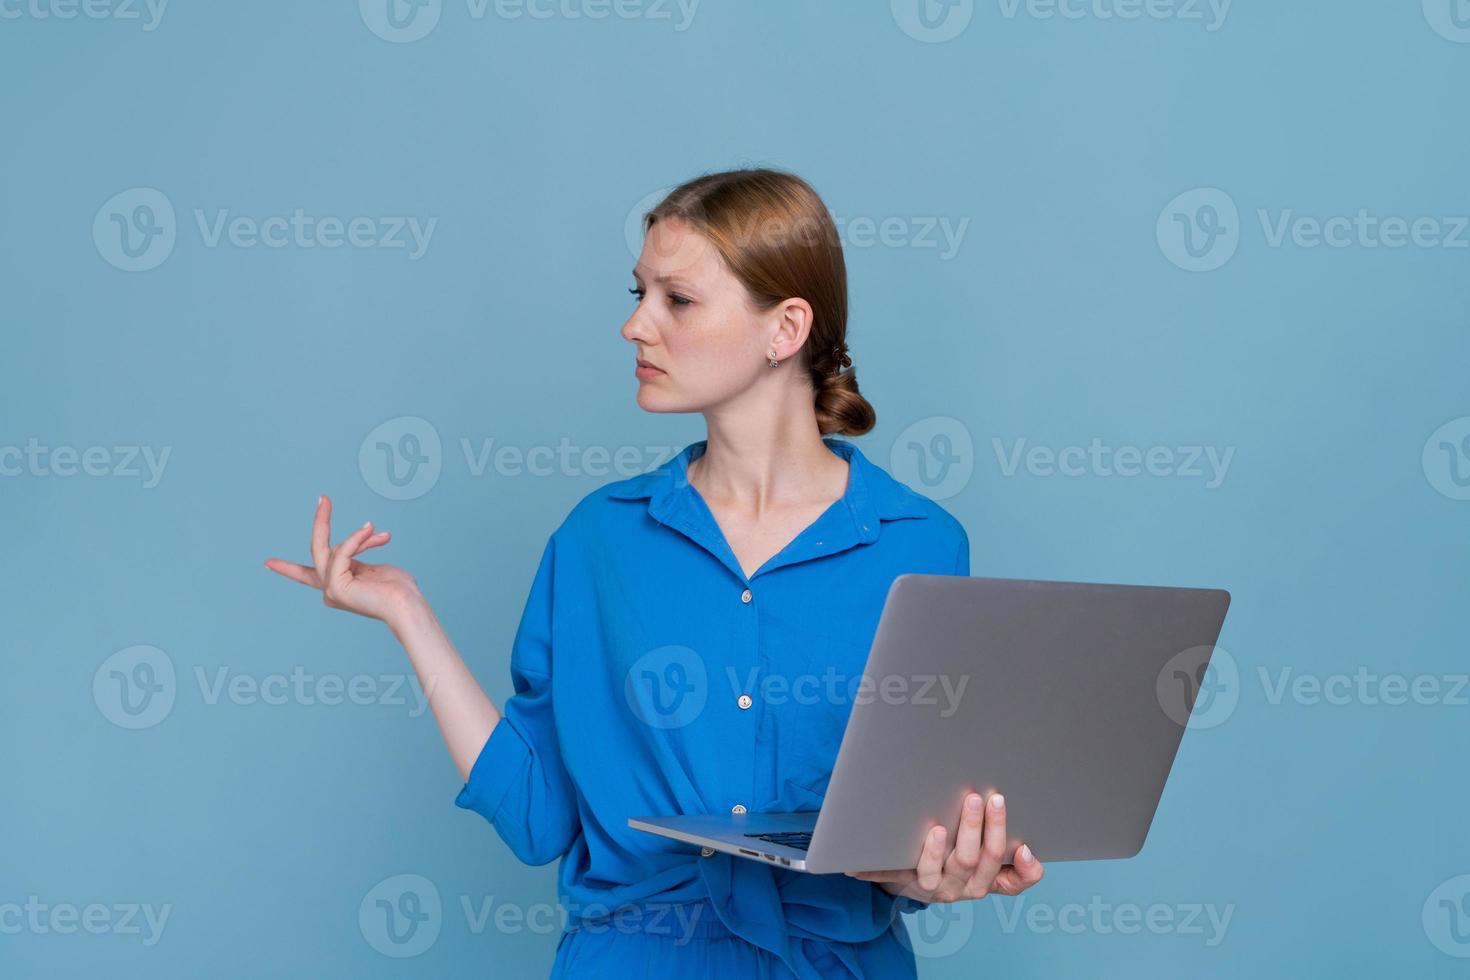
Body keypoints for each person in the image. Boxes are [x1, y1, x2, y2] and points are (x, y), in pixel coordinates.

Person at [264, 167, 1044, 978]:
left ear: (785, 329)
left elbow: (906, 825)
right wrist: (408, 614)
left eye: (676, 299)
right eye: (638, 293)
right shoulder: (598, 541)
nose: (636, 326)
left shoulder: (920, 544)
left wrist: (946, 866)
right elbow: (537, 818)